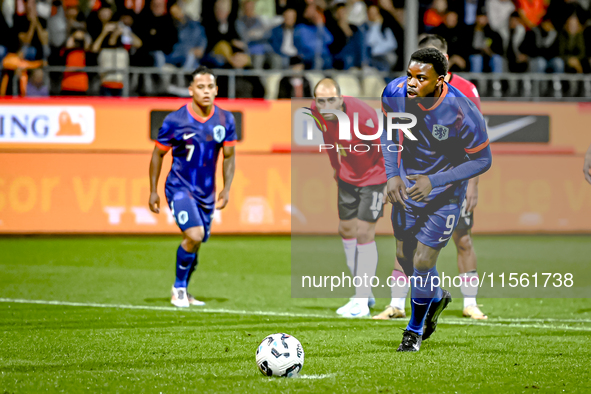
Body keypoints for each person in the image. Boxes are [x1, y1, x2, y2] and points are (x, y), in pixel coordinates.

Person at [381, 48, 492, 351]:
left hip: (444, 196)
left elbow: (483, 161)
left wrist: (436, 181)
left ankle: (414, 330)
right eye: (409, 75)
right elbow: (389, 133)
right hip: (408, 189)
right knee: (404, 256)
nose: (411, 83)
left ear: (440, 80)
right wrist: (392, 175)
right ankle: (437, 295)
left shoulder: (462, 111)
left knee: (422, 259)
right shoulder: (394, 92)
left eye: (421, 78)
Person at [148, 66, 237, 308]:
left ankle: (185, 291)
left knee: (198, 240)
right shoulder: (175, 120)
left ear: (217, 90)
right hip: (179, 187)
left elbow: (229, 156)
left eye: (210, 87)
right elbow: (158, 155)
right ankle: (177, 288)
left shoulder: (225, 119)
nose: (206, 91)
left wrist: (226, 188)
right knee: (194, 234)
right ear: (190, 90)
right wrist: (154, 190)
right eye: (200, 87)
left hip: (206, 193)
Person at [310, 78, 387, 318]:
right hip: (347, 176)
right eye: (321, 101)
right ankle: (363, 292)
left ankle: (361, 301)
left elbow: (386, 146)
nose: (326, 106)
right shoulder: (316, 112)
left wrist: (388, 181)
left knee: (364, 232)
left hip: (375, 177)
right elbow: (328, 139)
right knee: (346, 229)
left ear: (341, 99)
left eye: (331, 100)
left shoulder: (364, 116)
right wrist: (335, 167)